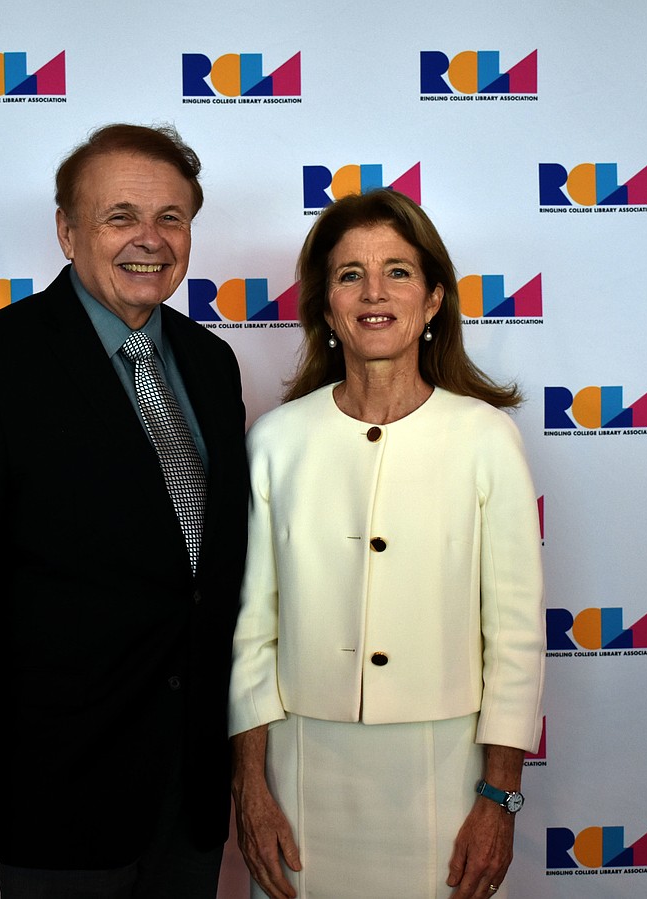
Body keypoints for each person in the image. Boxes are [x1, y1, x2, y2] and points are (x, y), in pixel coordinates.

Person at [0, 123, 249, 899]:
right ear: (67, 230)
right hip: (55, 794)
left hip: (190, 797)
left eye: (171, 218)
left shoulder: (210, 363)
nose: (148, 240)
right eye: (119, 216)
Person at [228, 188, 544, 899]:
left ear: (433, 299)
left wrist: (499, 800)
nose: (374, 292)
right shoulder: (276, 440)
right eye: (350, 274)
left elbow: (518, 635)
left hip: (444, 772)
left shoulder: (486, 437)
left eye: (398, 271)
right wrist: (250, 787)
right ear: (327, 305)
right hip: (301, 769)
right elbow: (250, 631)